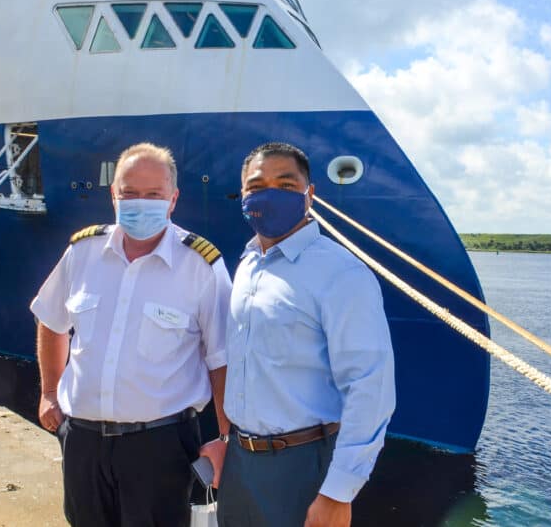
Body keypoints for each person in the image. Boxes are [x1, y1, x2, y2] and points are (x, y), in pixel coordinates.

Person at [31, 142, 232, 527]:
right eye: (130, 193)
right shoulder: (83, 251)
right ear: (113, 195)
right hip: (83, 442)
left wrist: (226, 441)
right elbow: (51, 320)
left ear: (172, 200)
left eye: (154, 195)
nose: (141, 203)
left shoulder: (200, 265)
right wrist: (48, 392)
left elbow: (221, 360)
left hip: (160, 445)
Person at [218, 142, 396, 527]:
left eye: (285, 184)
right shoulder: (249, 263)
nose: (269, 193)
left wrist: (338, 491)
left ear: (309, 194)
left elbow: (370, 386)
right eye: (256, 184)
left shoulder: (341, 273)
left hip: (304, 462)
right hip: (240, 462)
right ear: (243, 195)